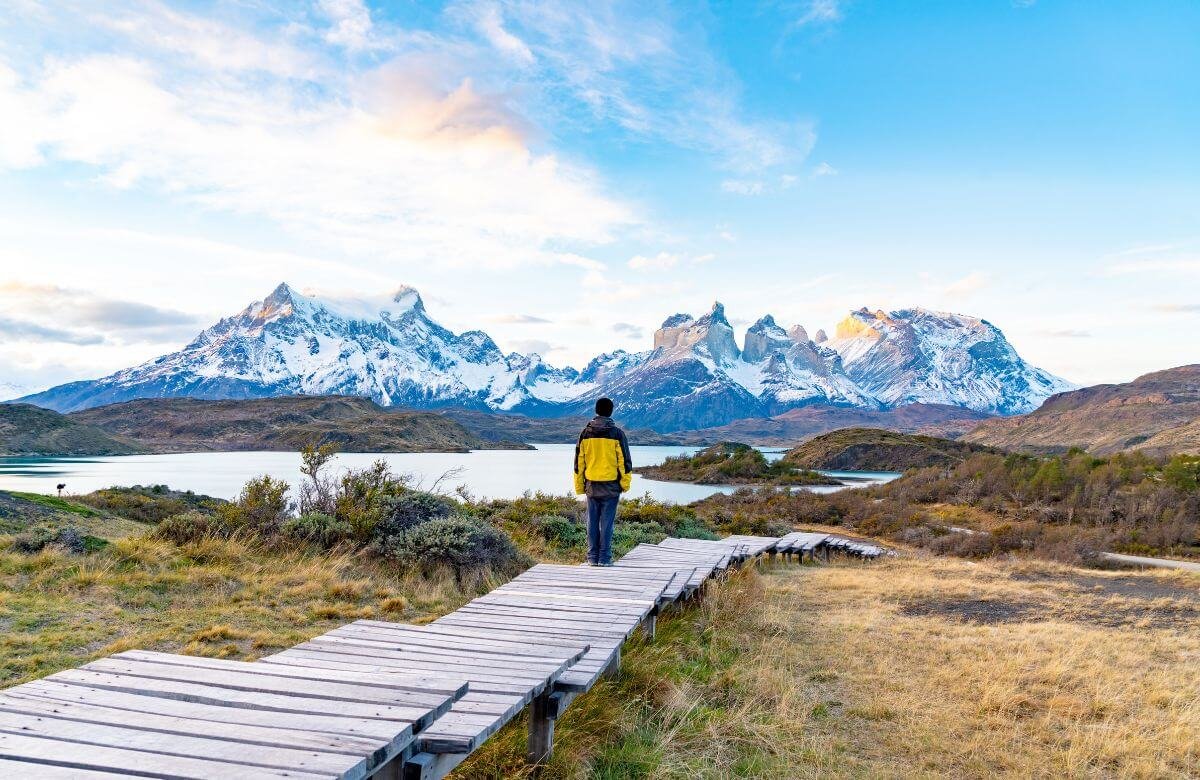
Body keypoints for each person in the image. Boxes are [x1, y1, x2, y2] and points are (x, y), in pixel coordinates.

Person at [573, 397, 632, 566]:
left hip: (591, 485)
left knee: (592, 522)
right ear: (611, 411)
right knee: (607, 523)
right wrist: (625, 484)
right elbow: (625, 462)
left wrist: (579, 486)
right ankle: (605, 558)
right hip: (611, 485)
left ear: (596, 411)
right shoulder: (617, 434)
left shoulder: (585, 433)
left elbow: (579, 463)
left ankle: (592, 558)